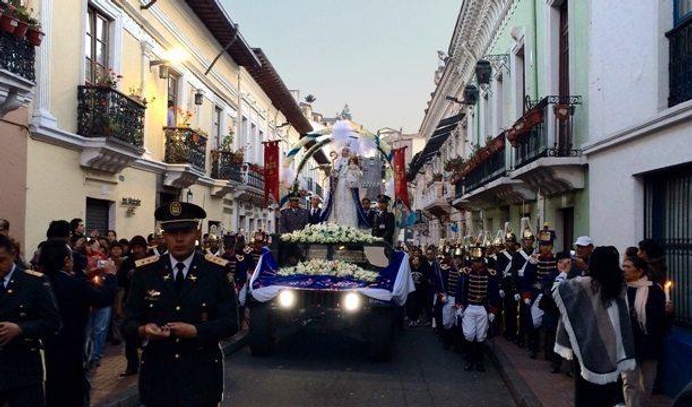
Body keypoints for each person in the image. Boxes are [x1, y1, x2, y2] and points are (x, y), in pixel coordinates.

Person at [123, 201, 239, 407]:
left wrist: (196, 331)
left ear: (196, 232)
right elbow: (127, 322)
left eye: (185, 231)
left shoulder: (215, 272)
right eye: (171, 232)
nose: (178, 238)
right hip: (158, 375)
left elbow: (231, 322)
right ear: (163, 235)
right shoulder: (145, 272)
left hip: (201, 375)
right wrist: (143, 329)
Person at [553, 246, 635, 407]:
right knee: (609, 392)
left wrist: (563, 272)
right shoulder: (620, 286)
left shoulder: (582, 285)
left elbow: (557, 290)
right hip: (613, 345)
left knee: (586, 394)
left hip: (587, 345)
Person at [41, 238, 117, 407]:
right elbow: (104, 298)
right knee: (74, 394)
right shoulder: (74, 285)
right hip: (73, 349)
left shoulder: (39, 282)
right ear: (67, 261)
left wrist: (88, 274)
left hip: (47, 351)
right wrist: (111, 275)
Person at [0, 235, 61, 407]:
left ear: (13, 254)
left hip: (23, 368)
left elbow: (53, 322)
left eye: (1, 260)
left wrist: (21, 328)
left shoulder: (33, 282)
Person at [621, 256, 667, 407]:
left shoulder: (654, 290)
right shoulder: (621, 289)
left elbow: (660, 320)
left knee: (647, 384)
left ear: (640, 271)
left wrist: (668, 311)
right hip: (628, 343)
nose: (624, 270)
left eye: (628, 267)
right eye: (624, 266)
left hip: (648, 343)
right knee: (630, 383)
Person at [456, 244, 501, 372]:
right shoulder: (465, 273)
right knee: (469, 334)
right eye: (475, 261)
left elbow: (494, 294)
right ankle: (469, 360)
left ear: (483, 261)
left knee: (481, 336)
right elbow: (460, 291)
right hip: (469, 307)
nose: (477, 263)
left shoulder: (491, 274)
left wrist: (493, 310)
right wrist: (459, 306)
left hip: (483, 308)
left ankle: (479, 361)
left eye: (479, 261)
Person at [521, 229, 557, 359]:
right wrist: (526, 295)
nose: (545, 247)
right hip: (537, 293)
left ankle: (549, 352)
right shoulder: (534, 260)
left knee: (550, 323)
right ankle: (533, 346)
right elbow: (526, 280)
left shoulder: (556, 260)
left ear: (551, 246)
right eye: (542, 245)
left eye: (547, 245)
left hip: (552, 295)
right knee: (534, 322)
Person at [116, 235, 148, 377]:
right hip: (131, 302)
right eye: (134, 248)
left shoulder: (151, 262)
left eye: (139, 248)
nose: (136, 250)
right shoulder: (127, 263)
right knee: (130, 335)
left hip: (149, 303)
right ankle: (132, 365)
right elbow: (120, 283)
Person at [542, 251, 571, 373]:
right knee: (553, 336)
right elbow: (548, 291)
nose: (562, 265)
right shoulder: (550, 276)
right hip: (553, 311)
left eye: (566, 263)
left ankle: (570, 367)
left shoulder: (574, 276)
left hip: (568, 312)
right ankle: (555, 364)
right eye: (560, 262)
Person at [433, 252, 461, 350]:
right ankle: (446, 340)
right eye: (455, 258)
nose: (457, 260)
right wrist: (441, 296)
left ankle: (458, 344)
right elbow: (437, 285)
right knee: (446, 322)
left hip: (459, 300)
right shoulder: (445, 270)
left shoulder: (464, 271)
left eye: (459, 258)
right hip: (448, 298)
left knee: (459, 322)